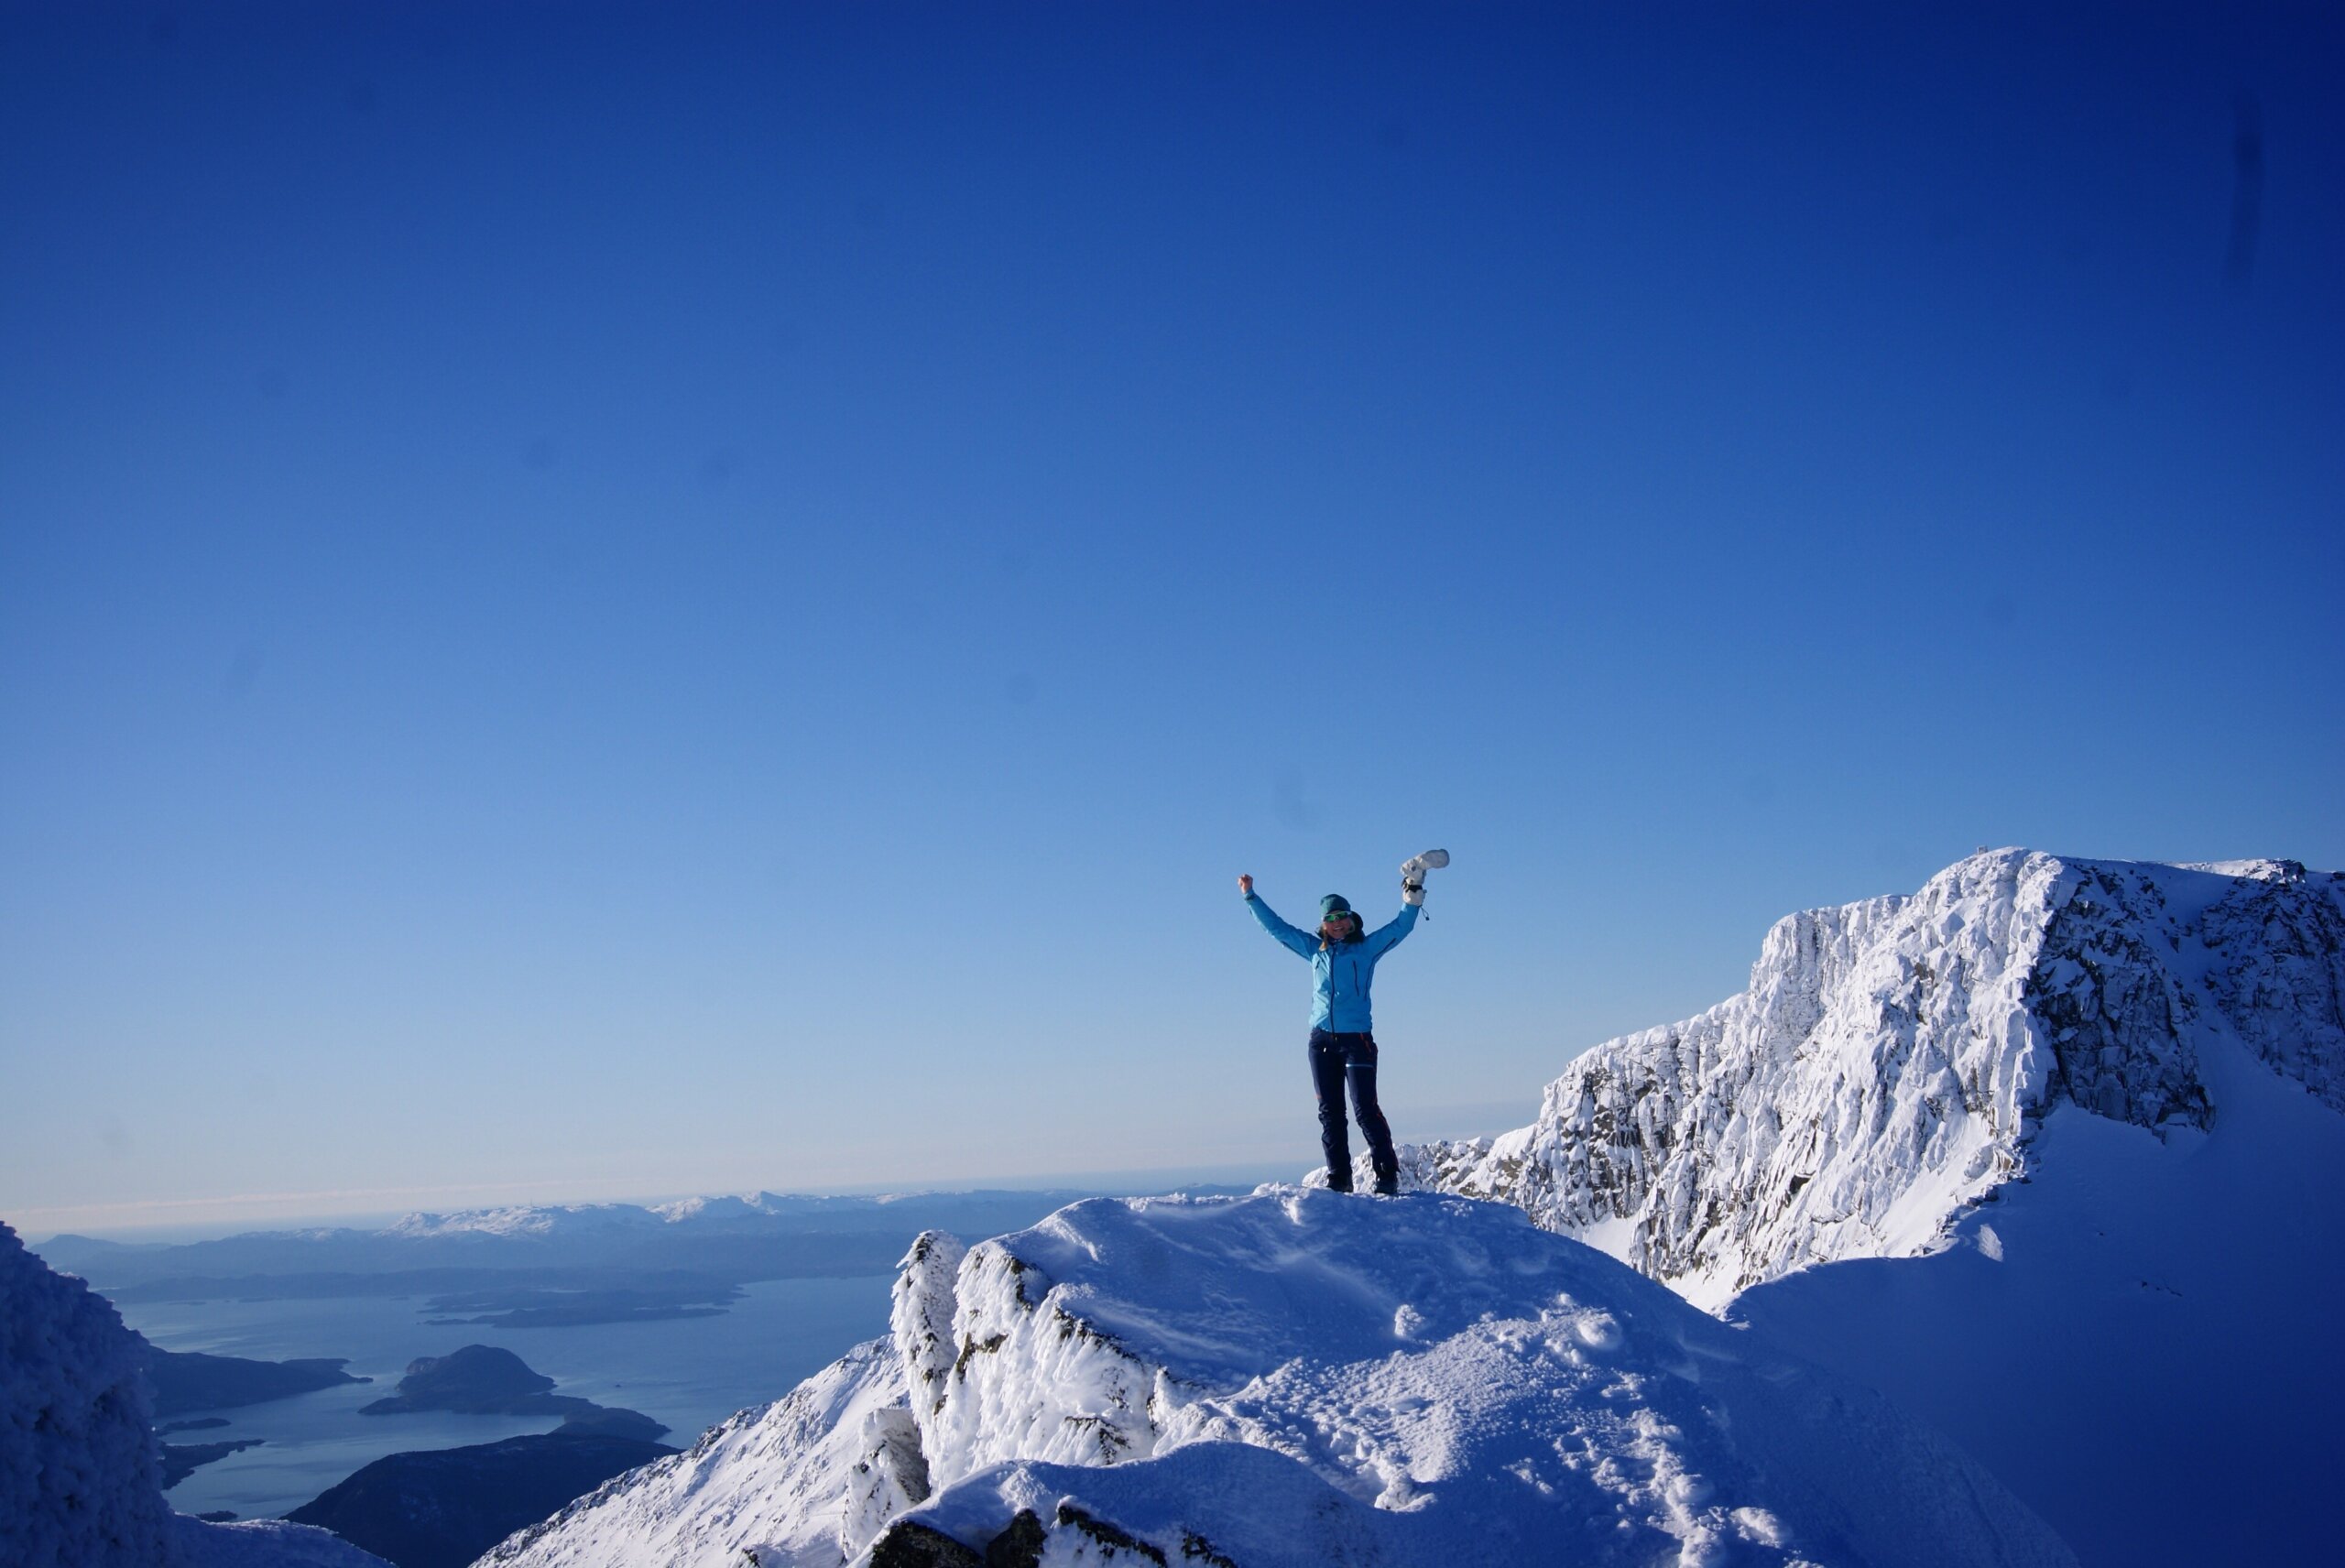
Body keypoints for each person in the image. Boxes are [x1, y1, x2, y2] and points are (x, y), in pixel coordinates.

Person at [1238, 869, 1425, 1195]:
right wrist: (1250, 896)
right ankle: (1340, 1179)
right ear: (1323, 924)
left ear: (1352, 920)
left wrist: (1412, 896)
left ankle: (1386, 1176)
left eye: (1343, 917)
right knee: (1330, 1113)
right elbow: (1277, 928)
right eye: (1331, 918)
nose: (1338, 923)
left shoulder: (1365, 949)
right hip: (1321, 1040)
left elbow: (1401, 927)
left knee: (1365, 1109)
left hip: (1358, 1041)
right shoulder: (1315, 951)